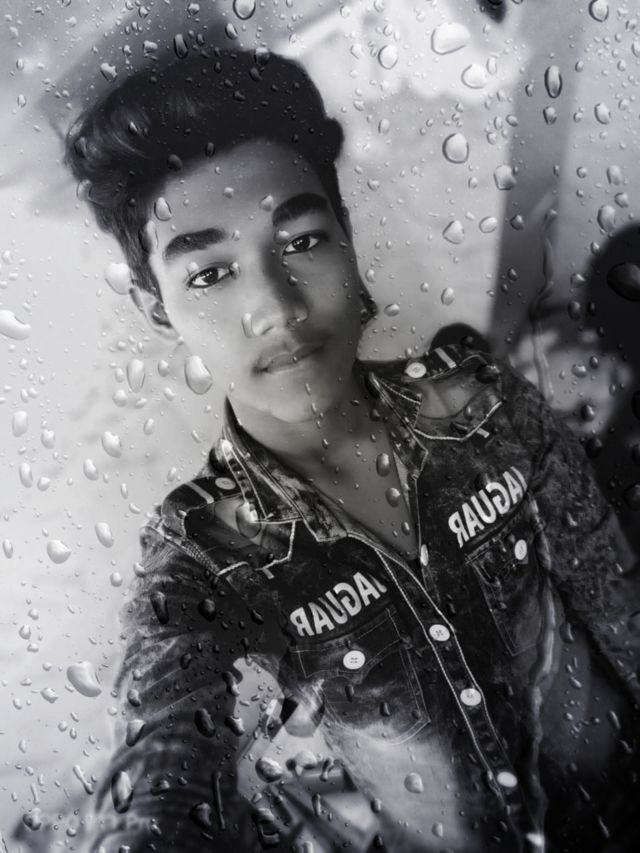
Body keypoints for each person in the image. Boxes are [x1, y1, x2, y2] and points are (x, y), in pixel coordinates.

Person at [63, 47, 640, 853]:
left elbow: (619, 603)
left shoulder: (483, 405)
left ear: (344, 234)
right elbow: (165, 759)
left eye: (301, 240)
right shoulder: (207, 559)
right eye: (210, 275)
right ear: (156, 306)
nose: (276, 306)